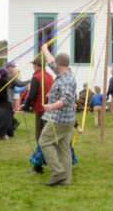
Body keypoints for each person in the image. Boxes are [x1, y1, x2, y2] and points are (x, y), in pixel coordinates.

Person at [38, 44, 77, 186]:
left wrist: (50, 107)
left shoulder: (67, 80)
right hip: (68, 120)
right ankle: (66, 180)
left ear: (59, 64)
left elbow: (66, 99)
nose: (53, 64)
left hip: (59, 120)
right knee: (64, 149)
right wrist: (45, 49)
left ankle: (58, 172)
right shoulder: (63, 73)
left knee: (44, 142)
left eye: (56, 63)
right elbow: (50, 61)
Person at [21, 56, 54, 142]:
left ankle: (41, 154)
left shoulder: (36, 77)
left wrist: (26, 107)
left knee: (40, 135)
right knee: (48, 135)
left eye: (33, 64)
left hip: (40, 109)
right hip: (50, 109)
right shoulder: (50, 76)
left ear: (36, 65)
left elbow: (31, 95)